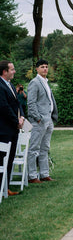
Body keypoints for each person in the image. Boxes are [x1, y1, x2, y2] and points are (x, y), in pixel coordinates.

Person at [27, 59, 58, 183]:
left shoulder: (45, 82)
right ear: (37, 69)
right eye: (42, 67)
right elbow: (31, 103)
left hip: (48, 120)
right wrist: (38, 118)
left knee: (45, 148)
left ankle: (44, 173)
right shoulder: (35, 82)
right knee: (34, 148)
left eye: (46, 66)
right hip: (39, 121)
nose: (45, 69)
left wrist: (50, 118)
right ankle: (32, 176)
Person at [0, 60, 25, 196]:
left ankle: (6, 187)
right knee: (3, 158)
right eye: (12, 69)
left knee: (10, 158)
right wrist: (16, 120)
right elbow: (4, 107)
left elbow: (17, 104)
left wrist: (21, 118)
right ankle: (2, 187)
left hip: (13, 128)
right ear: (4, 71)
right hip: (4, 129)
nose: (14, 71)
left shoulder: (10, 85)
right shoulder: (0, 86)